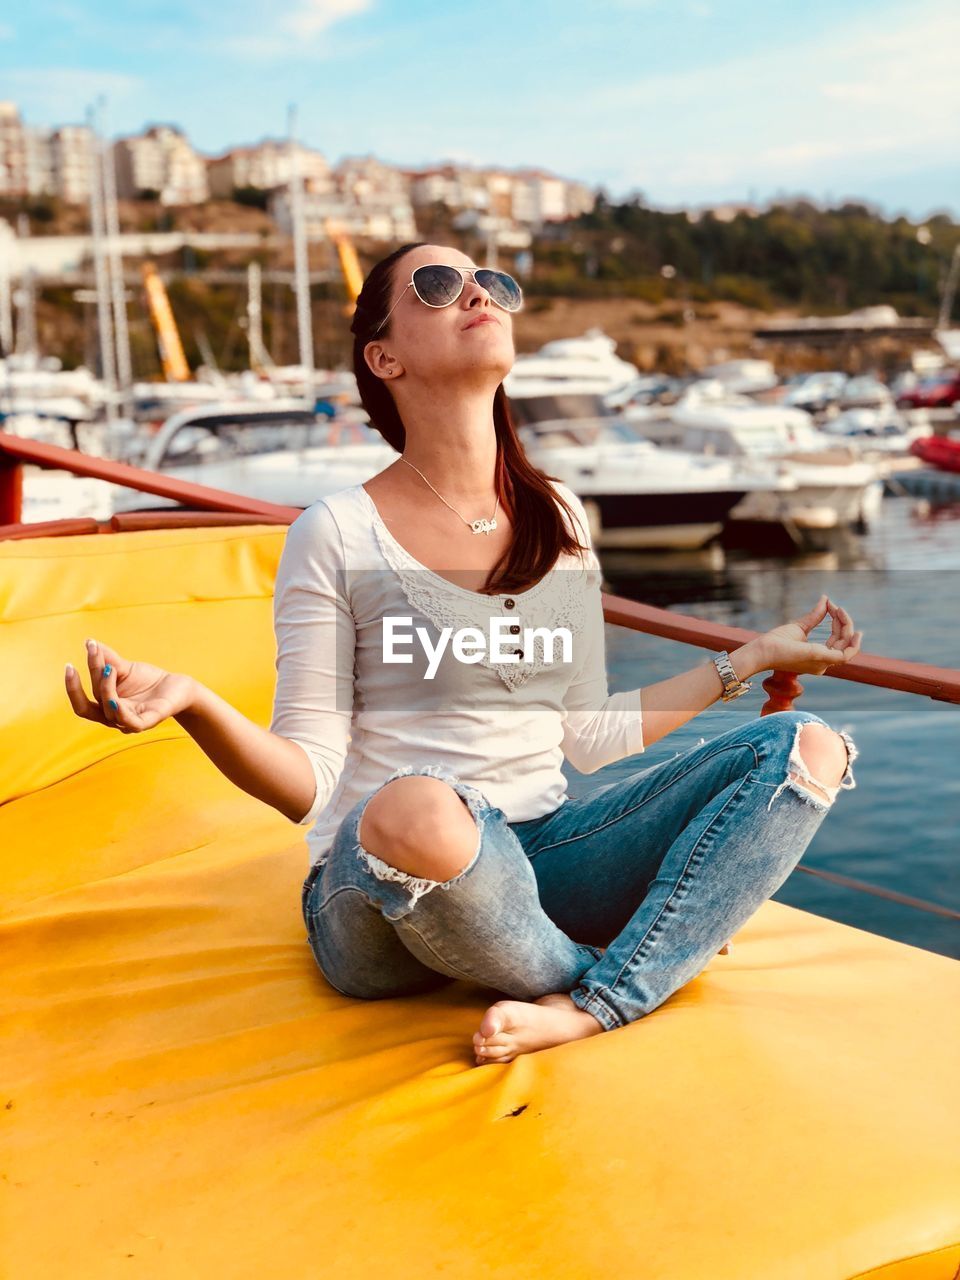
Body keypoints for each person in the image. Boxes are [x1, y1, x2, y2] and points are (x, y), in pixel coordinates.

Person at [65, 242, 863, 1069]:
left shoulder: (559, 513)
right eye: (439, 287)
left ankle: (589, 1004)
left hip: (542, 854)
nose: (477, 294)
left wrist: (750, 656)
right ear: (385, 356)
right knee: (416, 808)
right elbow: (309, 786)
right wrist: (195, 702)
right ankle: (616, 979)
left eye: (492, 283)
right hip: (378, 889)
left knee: (805, 748)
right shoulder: (338, 531)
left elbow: (587, 735)